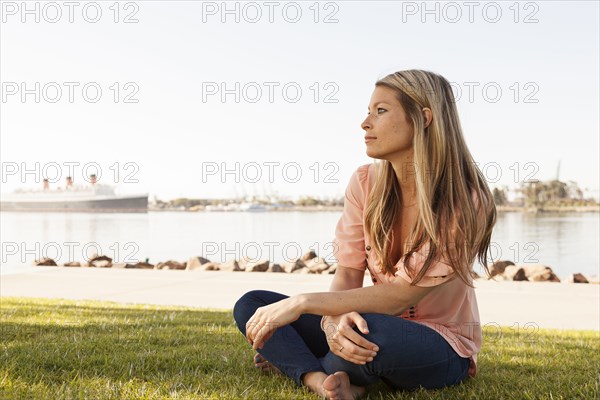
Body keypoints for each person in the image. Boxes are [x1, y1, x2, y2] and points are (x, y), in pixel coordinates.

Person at [233, 69, 497, 399]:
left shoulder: (465, 198)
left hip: (439, 344)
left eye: (380, 111)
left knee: (371, 339)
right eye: (368, 111)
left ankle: (308, 362)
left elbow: (402, 295)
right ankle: (320, 379)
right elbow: (347, 274)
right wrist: (333, 322)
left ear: (422, 119)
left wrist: (305, 304)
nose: (365, 123)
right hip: (367, 323)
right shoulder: (364, 183)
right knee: (254, 306)